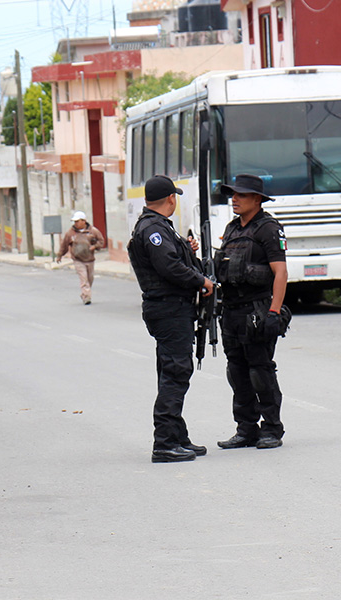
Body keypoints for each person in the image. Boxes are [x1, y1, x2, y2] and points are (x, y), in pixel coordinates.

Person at [127, 176, 215, 463]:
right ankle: (164, 442)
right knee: (176, 373)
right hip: (169, 308)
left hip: (168, 307)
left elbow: (169, 260)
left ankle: (177, 436)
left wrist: (188, 254)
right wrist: (200, 279)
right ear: (171, 199)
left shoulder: (157, 227)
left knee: (170, 372)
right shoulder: (153, 228)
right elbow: (168, 267)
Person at [215, 174, 289, 450]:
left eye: (241, 195)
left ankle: (271, 428)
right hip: (231, 312)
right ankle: (246, 429)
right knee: (237, 371)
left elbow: (280, 273)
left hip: (257, 309)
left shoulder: (268, 229)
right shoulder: (232, 229)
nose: (234, 199)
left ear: (257, 199)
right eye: (232, 194)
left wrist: (274, 311)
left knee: (260, 371)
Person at [57, 210, 105, 305]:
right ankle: (87, 297)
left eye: (77, 221)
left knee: (90, 278)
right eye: (74, 222)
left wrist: (94, 246)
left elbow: (101, 241)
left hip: (90, 259)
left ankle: (84, 294)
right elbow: (64, 245)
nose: (75, 224)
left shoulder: (93, 231)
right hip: (78, 259)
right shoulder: (71, 233)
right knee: (84, 278)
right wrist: (60, 255)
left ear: (84, 221)